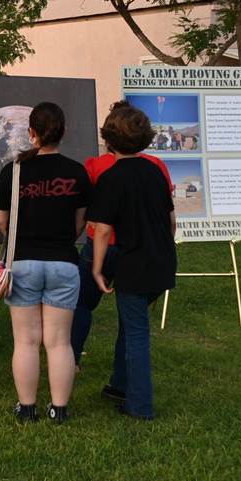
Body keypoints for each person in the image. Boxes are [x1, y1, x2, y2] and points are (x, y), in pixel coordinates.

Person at [0, 102, 90, 424]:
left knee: (26, 340)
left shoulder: (14, 170)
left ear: (31, 133)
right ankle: (59, 410)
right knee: (60, 342)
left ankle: (27, 408)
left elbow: (2, 223)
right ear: (64, 132)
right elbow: (80, 223)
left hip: (23, 266)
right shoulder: (77, 172)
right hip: (64, 263)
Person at [87, 103, 177, 420]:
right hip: (162, 262)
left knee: (137, 334)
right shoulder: (155, 171)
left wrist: (97, 269)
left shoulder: (111, 178)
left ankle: (139, 406)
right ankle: (119, 384)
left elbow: (101, 230)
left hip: (134, 268)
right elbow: (171, 221)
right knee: (131, 326)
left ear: (108, 139)